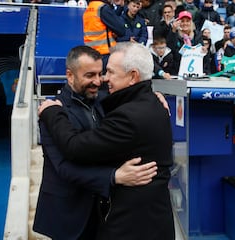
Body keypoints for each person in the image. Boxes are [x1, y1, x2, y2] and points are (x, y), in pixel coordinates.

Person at [38, 42, 175, 240]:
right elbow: (64, 167)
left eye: (102, 73)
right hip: (71, 218)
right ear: (69, 75)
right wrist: (113, 176)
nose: (100, 80)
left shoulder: (109, 101)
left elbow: (132, 100)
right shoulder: (52, 112)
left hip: (106, 215)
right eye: (89, 75)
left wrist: (150, 94)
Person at [83, 0, 126, 72]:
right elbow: (121, 30)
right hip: (105, 53)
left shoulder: (89, 8)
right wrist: (120, 7)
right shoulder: (103, 8)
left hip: (91, 53)